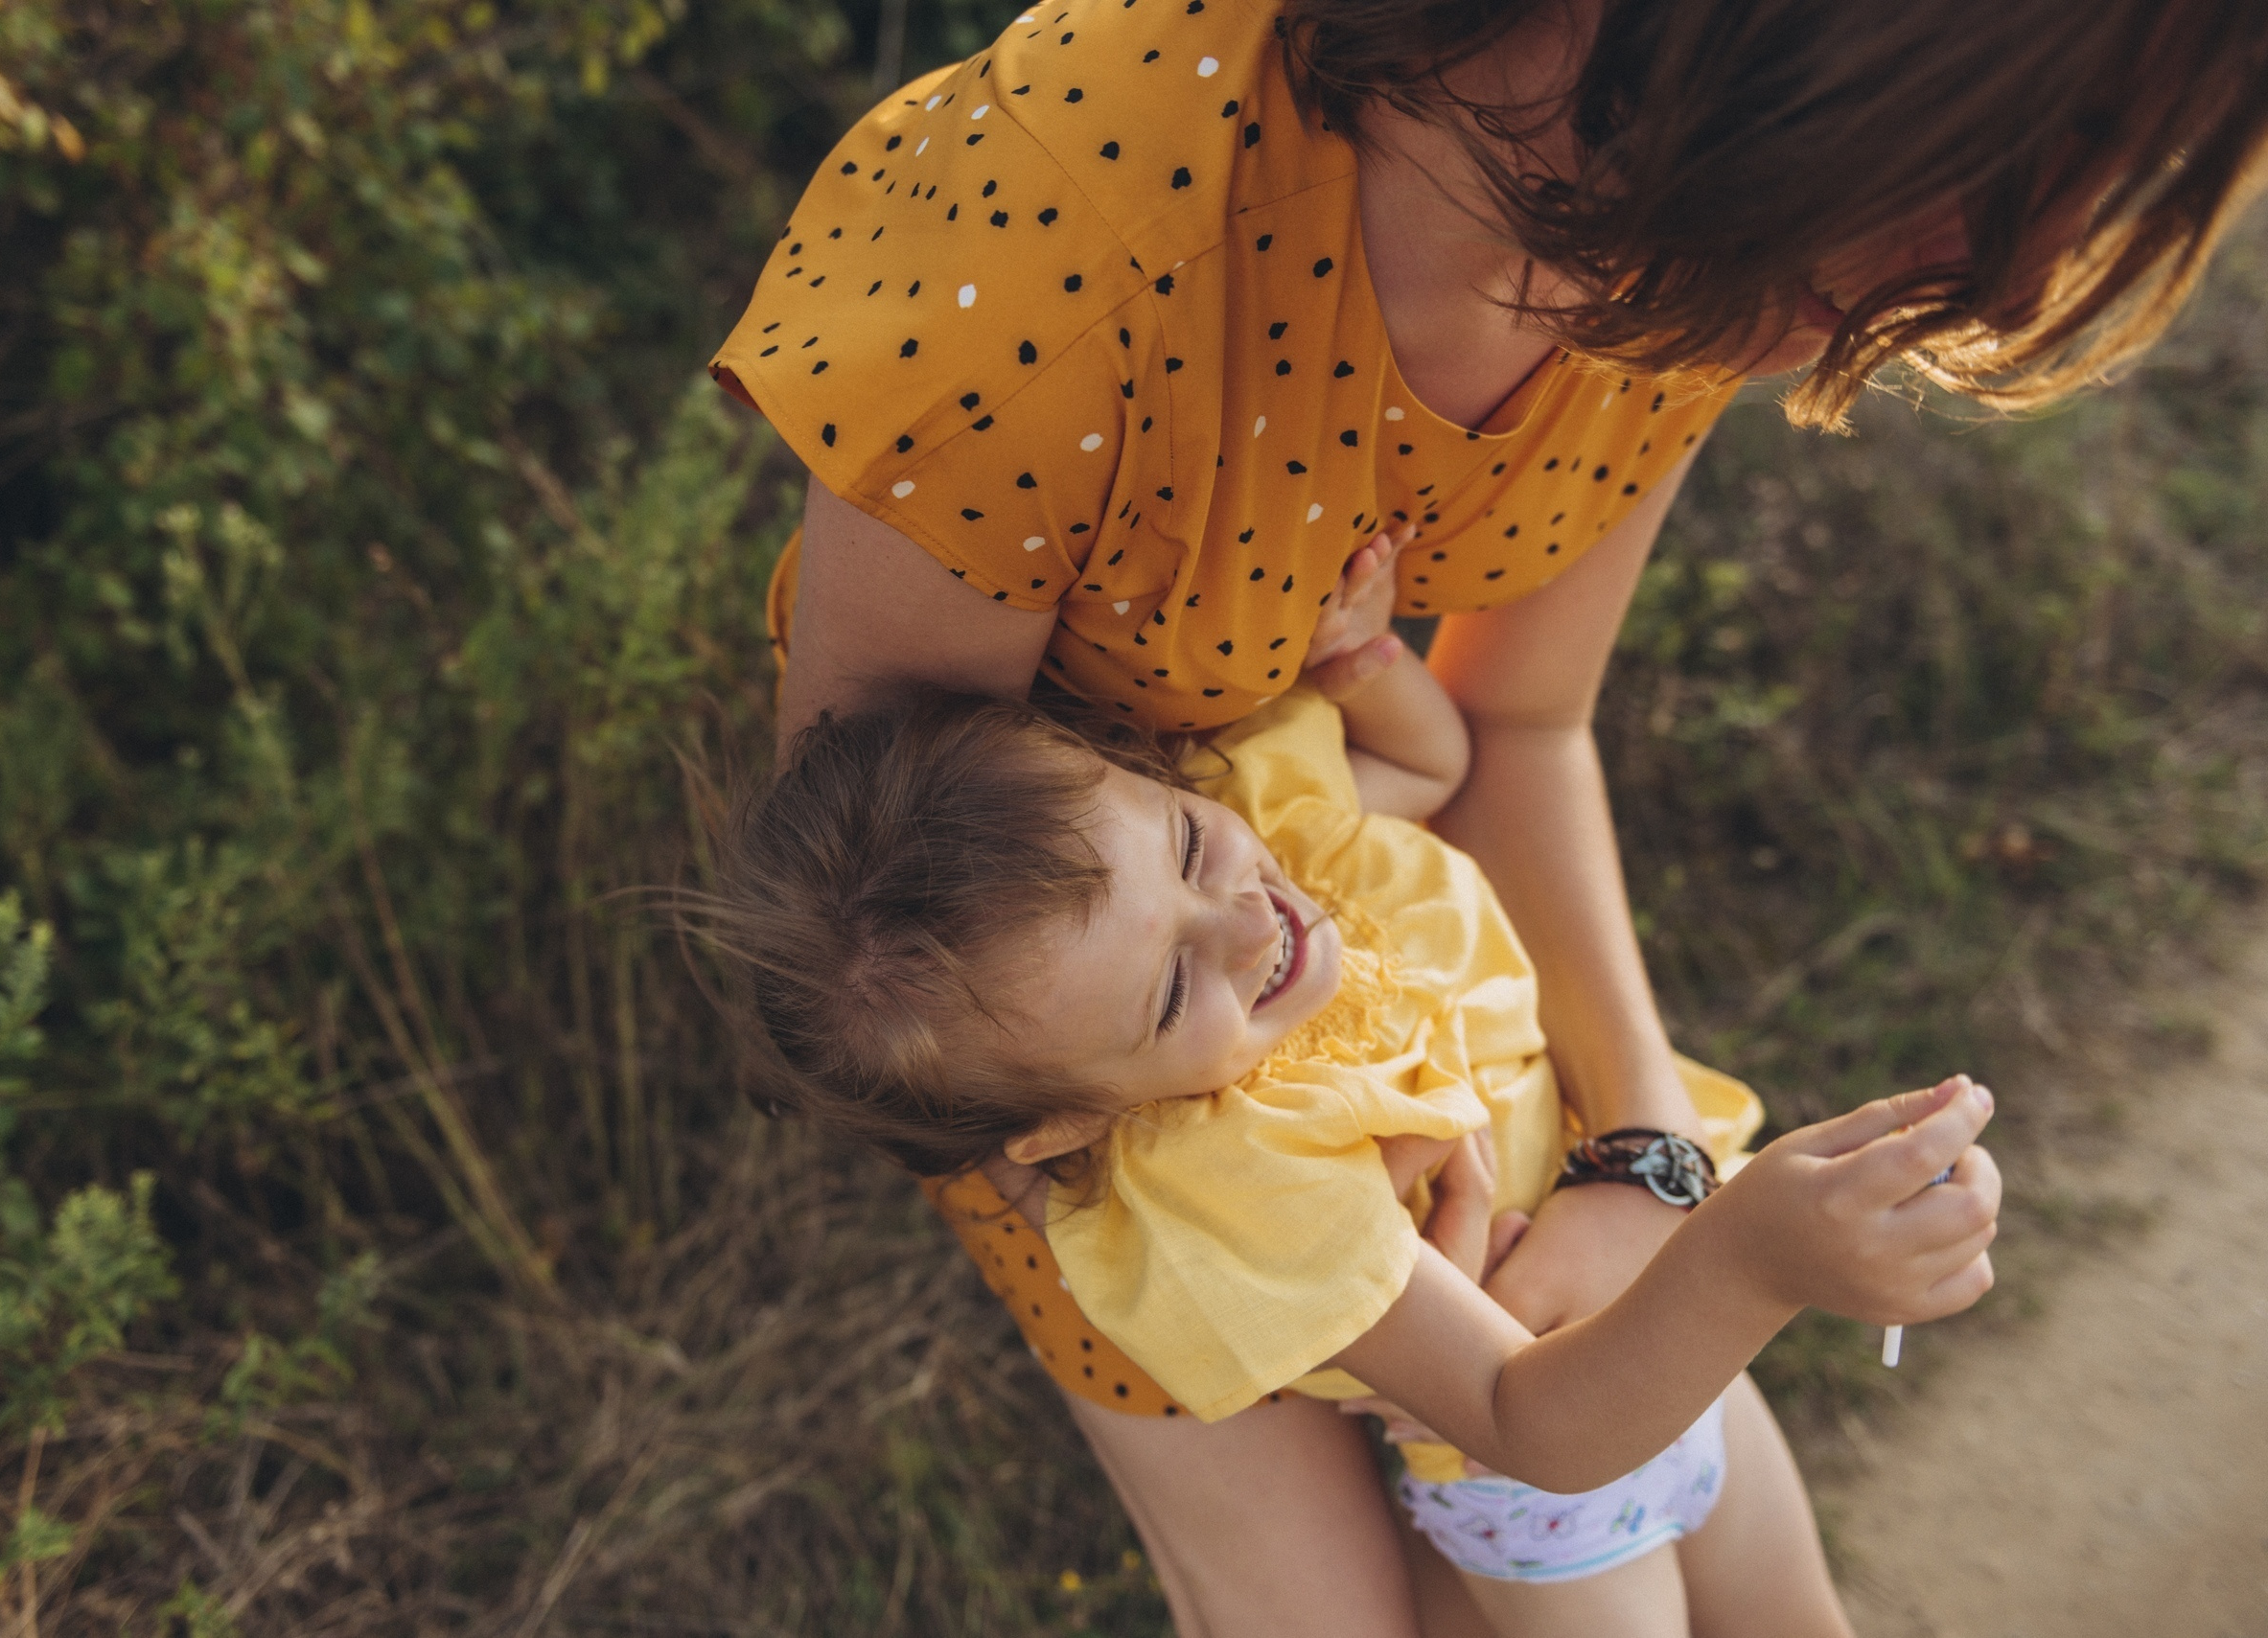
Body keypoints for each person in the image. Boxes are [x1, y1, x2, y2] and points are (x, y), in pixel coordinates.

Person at [705, 1, 2268, 1629]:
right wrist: (1288, 1259)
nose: (2009, 284)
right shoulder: (1074, 233)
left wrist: (1644, 1166)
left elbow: (1509, 726)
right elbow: (922, 951)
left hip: (1524, 1240)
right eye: (2001, 164)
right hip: (1148, 1165)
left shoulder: (1693, 239)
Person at [690, 630, 2001, 1637]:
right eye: (1169, 991)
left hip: (1678, 1361)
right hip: (1552, 1503)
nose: (1254, 924)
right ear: (1068, 1119)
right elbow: (1518, 1414)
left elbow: (1433, 762)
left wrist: (1373, 664)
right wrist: (1755, 1257)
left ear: (1156, 780)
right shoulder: (1232, 1173)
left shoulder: (1267, 831)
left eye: (1196, 849)